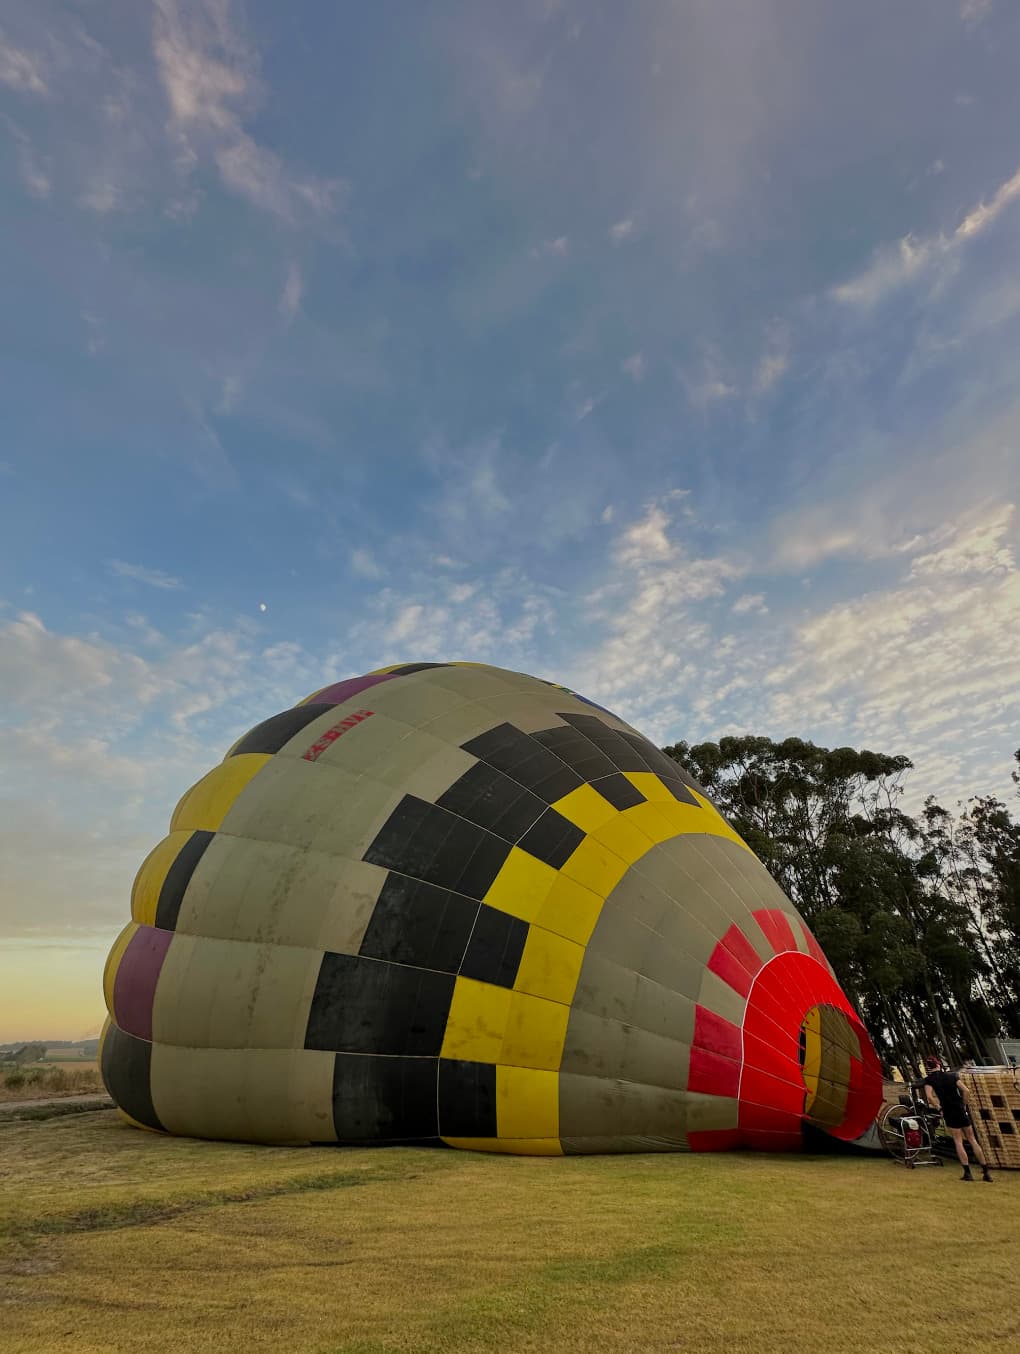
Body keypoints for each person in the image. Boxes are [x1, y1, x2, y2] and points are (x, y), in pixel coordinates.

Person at [922, 1055, 993, 1182]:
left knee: (958, 1141)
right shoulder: (952, 1076)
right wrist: (963, 1104)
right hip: (960, 1109)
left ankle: (967, 1172)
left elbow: (929, 1097)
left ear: (928, 1067)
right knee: (972, 1139)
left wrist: (939, 1108)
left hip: (948, 1111)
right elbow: (966, 1091)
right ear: (938, 1065)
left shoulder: (929, 1080)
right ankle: (986, 1172)